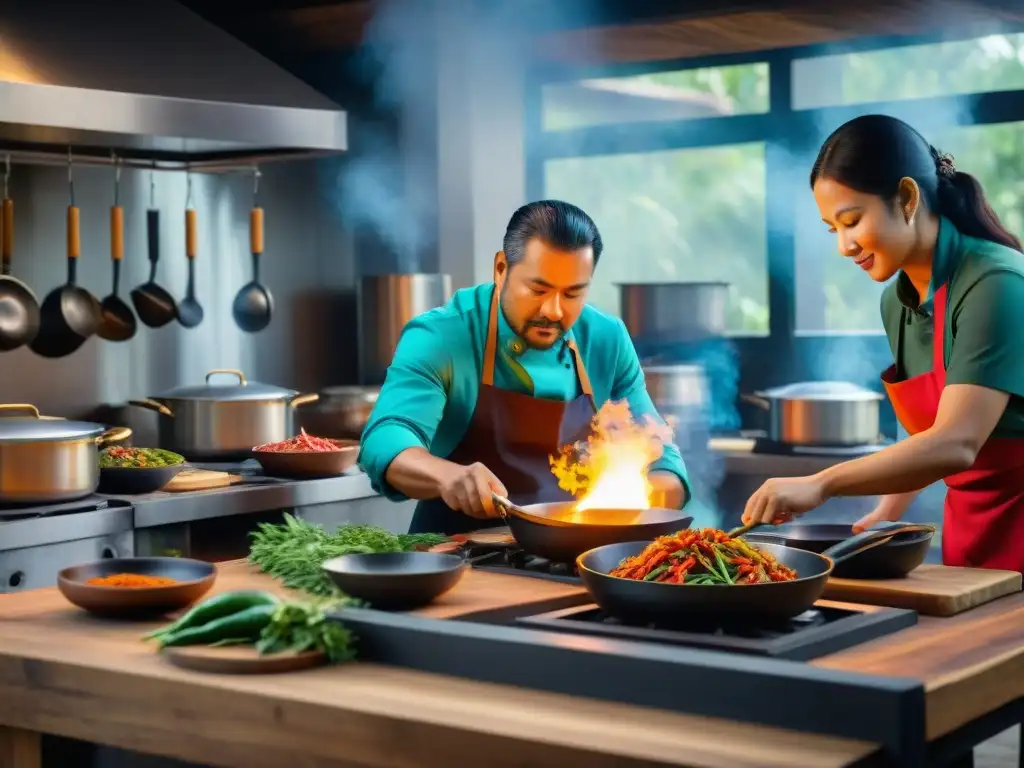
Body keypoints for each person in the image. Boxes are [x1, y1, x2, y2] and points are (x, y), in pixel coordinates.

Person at [741, 114, 1024, 572]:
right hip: (971, 533)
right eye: (833, 229)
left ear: (908, 198)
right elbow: (926, 436)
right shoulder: (898, 301)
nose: (844, 246)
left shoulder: (997, 283)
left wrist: (822, 483)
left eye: (852, 221)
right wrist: (884, 515)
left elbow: (956, 442)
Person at [358, 200, 690, 535]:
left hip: (578, 556)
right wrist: (448, 476)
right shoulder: (441, 336)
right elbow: (386, 439)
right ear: (501, 269)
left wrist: (636, 495)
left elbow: (663, 460)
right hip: (457, 556)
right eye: (538, 289)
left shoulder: (606, 340)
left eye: (573, 293)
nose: (554, 310)